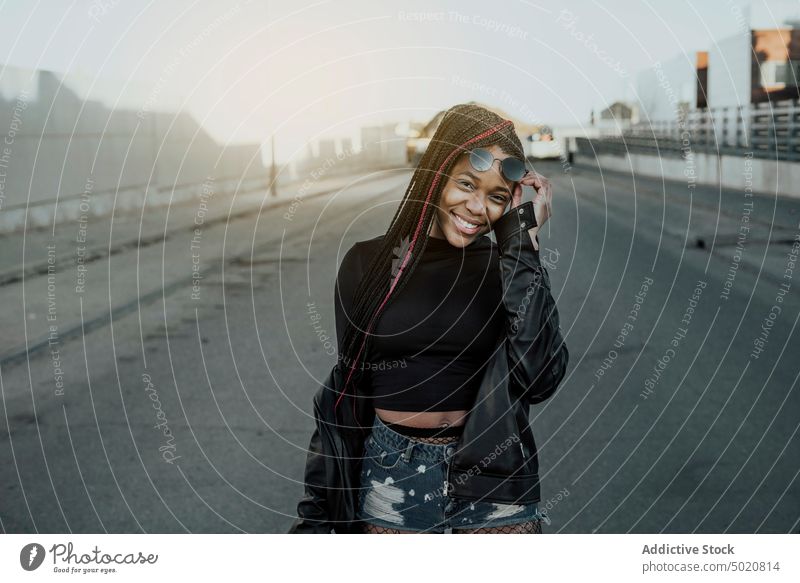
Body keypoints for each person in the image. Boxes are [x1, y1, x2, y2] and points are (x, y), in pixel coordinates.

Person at [289, 103, 569, 534]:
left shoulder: (509, 267)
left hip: (494, 480)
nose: (477, 207)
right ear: (437, 174)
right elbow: (349, 390)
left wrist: (522, 242)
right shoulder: (368, 264)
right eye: (466, 184)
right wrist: (317, 512)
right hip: (392, 479)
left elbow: (541, 377)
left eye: (496, 196)